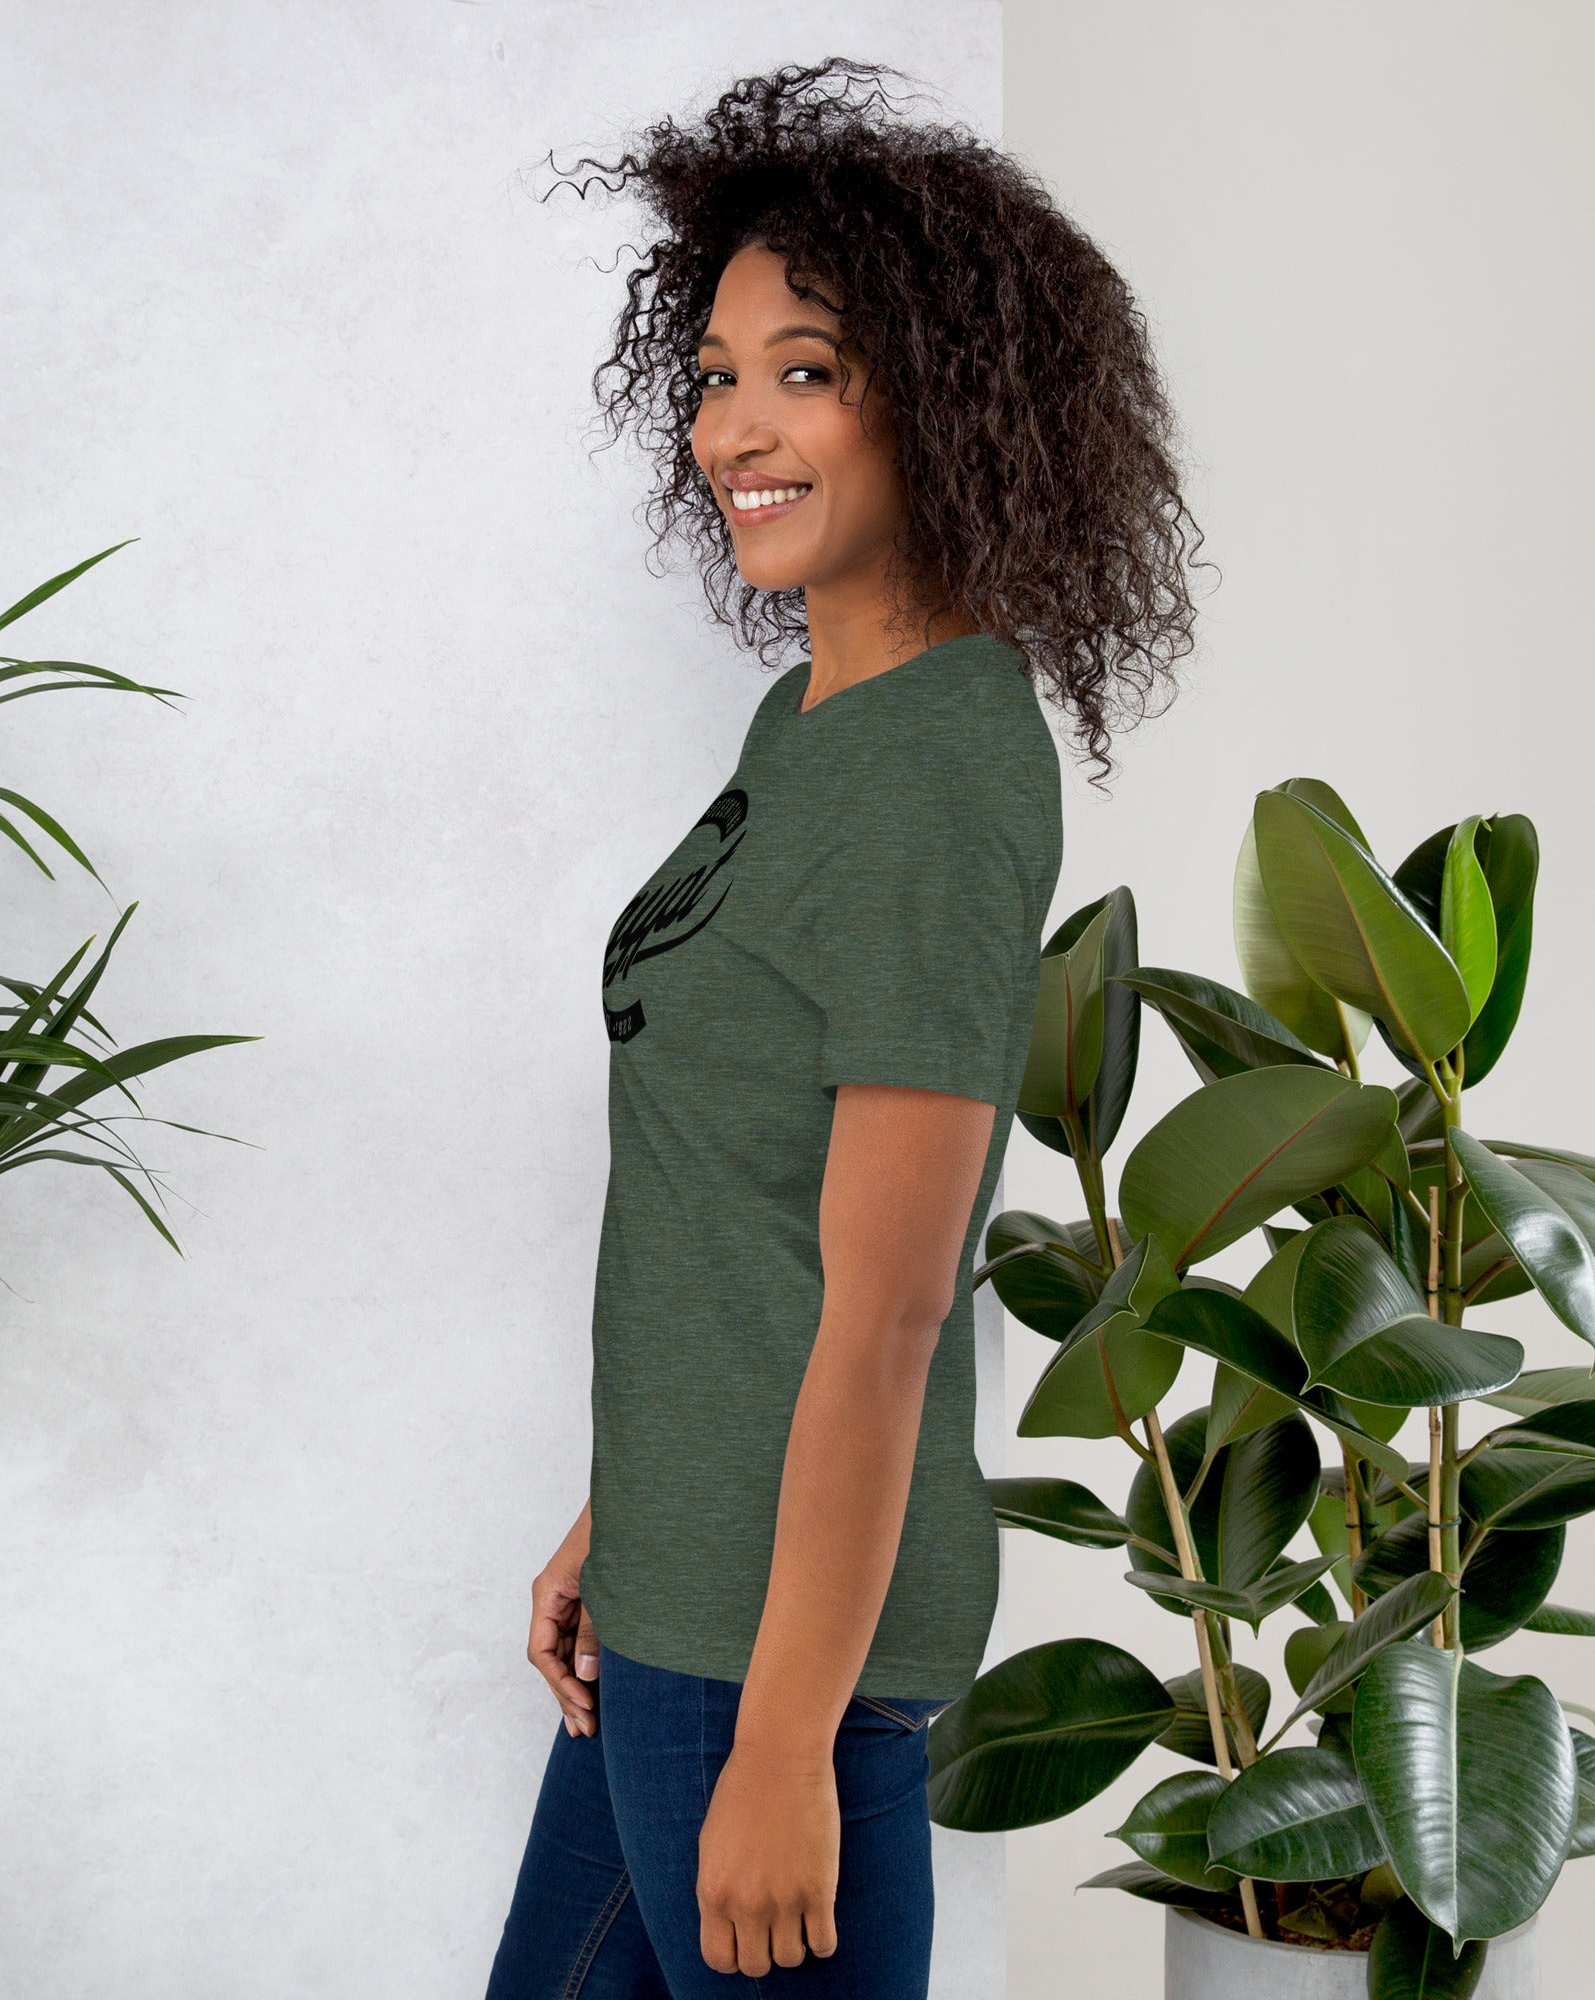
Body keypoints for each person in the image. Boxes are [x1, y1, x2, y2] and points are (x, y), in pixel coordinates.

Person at [486, 58, 1201, 1999]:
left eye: (805, 370)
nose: (736, 428)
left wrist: (787, 1744)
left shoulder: (939, 770)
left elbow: (887, 1312)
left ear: (951, 398)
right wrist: (621, 1512)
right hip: (677, 1612)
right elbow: (748, 1204)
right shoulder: (808, 726)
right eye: (715, 376)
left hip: (774, 1668)